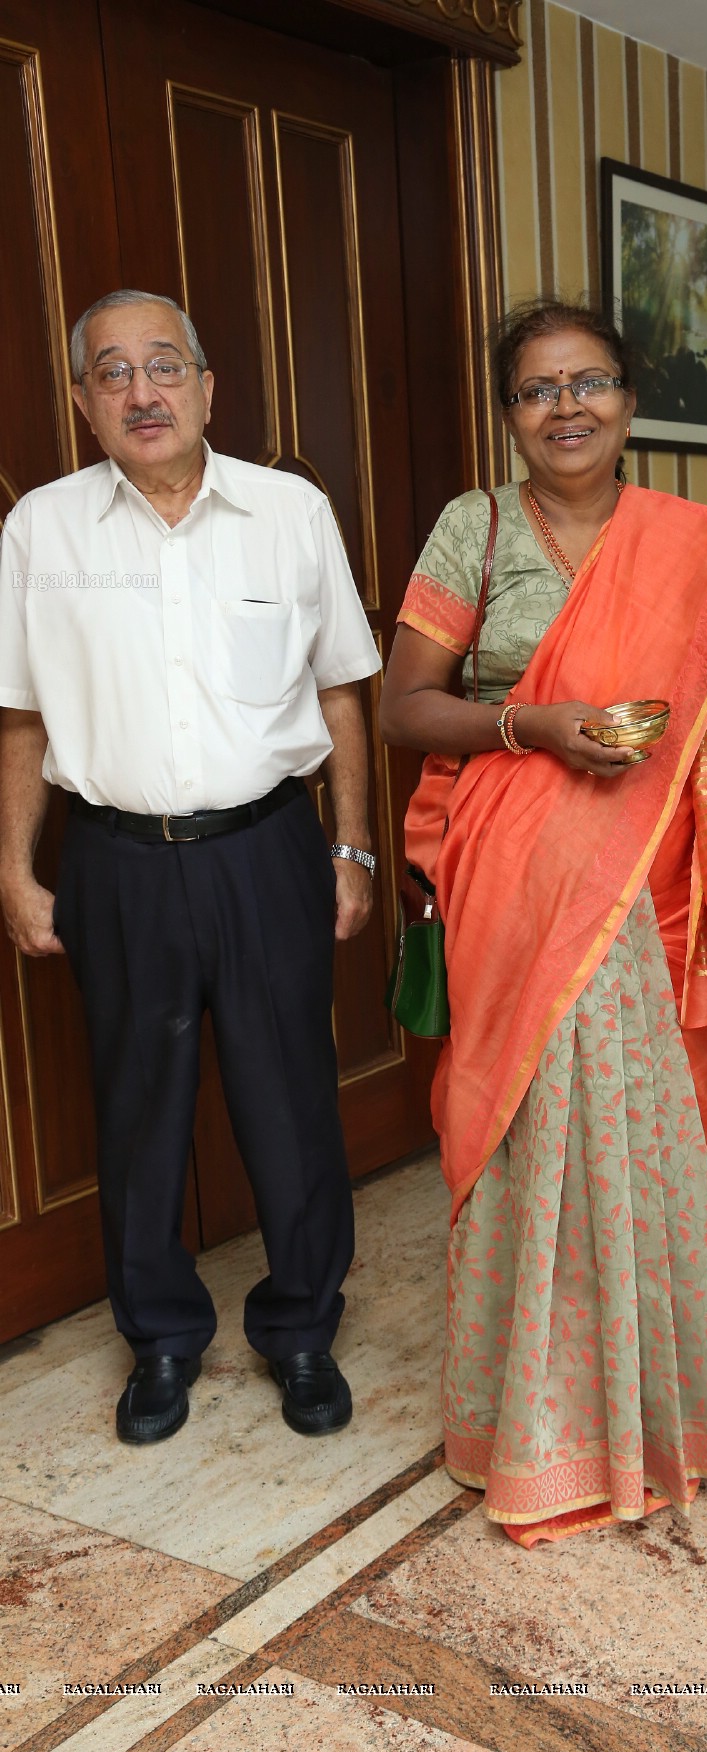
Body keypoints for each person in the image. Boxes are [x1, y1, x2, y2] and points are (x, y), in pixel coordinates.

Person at [380, 298, 707, 1546]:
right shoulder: (479, 526)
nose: (567, 409)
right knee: (524, 1120)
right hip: (511, 854)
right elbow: (406, 704)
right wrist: (536, 726)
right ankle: (536, 1418)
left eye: (592, 383)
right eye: (537, 390)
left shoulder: (698, 545)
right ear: (508, 413)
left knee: (655, 1113)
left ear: (630, 400)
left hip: (652, 864)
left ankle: (668, 1400)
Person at [0, 290, 381, 1445]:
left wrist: (353, 843)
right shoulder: (41, 532)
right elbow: (19, 718)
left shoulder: (288, 511)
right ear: (82, 403)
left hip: (267, 848)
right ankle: (161, 1339)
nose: (141, 390)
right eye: (111, 373)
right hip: (115, 861)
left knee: (290, 1104)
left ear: (210, 386)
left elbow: (341, 690)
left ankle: (302, 1327)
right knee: (137, 1112)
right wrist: (14, 870)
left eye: (164, 365)